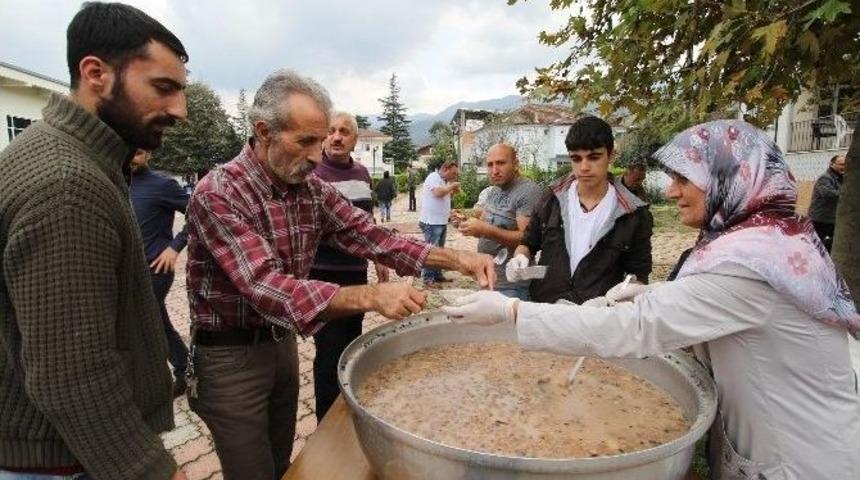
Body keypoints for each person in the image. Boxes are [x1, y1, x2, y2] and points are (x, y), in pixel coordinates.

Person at [444, 120, 860, 480]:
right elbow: (716, 304)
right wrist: (655, 294)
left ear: (730, 178)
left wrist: (512, 310)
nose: (673, 191)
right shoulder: (765, 240)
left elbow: (639, 327)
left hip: (797, 460)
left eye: (685, 179)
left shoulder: (749, 263)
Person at [184, 70, 494, 480]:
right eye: (306, 141)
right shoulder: (219, 193)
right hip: (229, 356)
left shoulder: (309, 189)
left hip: (280, 344)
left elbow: (372, 235)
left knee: (280, 465)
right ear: (263, 132)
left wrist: (457, 259)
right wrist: (368, 296)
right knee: (251, 471)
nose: (317, 155)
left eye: (321, 139)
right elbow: (267, 286)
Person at [0, 3, 189, 480]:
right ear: (95, 73)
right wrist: (152, 470)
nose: (179, 110)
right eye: (163, 88)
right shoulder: (67, 186)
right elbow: (73, 374)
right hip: (61, 460)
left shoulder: (74, 156)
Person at [508, 116, 653, 304]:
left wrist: (621, 293)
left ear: (611, 155)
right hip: (546, 311)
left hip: (598, 319)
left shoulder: (634, 214)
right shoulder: (552, 199)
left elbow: (636, 274)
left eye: (594, 157)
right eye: (576, 159)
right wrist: (520, 258)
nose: (584, 167)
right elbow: (528, 243)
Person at [310, 111, 389, 421]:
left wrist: (378, 257)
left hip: (355, 273)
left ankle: (348, 410)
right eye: (331, 131)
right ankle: (325, 422)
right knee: (328, 352)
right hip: (323, 276)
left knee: (352, 345)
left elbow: (366, 222)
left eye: (344, 131)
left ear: (356, 140)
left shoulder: (361, 174)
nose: (337, 137)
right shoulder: (313, 173)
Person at [130, 149, 192, 398]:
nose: (133, 157)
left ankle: (171, 376)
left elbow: (199, 213)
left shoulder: (162, 184)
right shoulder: (114, 182)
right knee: (156, 322)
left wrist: (175, 247)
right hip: (129, 271)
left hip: (155, 268)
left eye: (139, 152)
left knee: (144, 322)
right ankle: (187, 370)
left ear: (148, 154)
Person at [457, 144, 542, 300]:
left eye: (501, 163)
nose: (494, 170)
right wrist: (472, 227)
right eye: (490, 164)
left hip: (513, 285)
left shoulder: (528, 192)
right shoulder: (494, 190)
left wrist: (484, 230)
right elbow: (487, 228)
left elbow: (528, 240)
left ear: (516, 164)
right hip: (490, 278)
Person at [419, 160, 460, 285]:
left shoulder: (443, 181)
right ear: (445, 169)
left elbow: (443, 196)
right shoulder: (433, 177)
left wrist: (452, 191)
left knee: (439, 251)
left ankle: (437, 275)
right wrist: (452, 186)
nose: (454, 177)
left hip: (440, 221)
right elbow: (437, 193)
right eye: (453, 173)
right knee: (432, 251)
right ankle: (428, 278)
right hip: (431, 222)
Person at [808, 154, 847, 251]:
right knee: (814, 245)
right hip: (820, 218)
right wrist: (847, 196)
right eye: (841, 164)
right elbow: (828, 194)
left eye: (846, 165)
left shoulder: (843, 178)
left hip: (833, 218)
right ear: (832, 164)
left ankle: (827, 262)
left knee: (833, 244)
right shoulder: (825, 178)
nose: (844, 167)